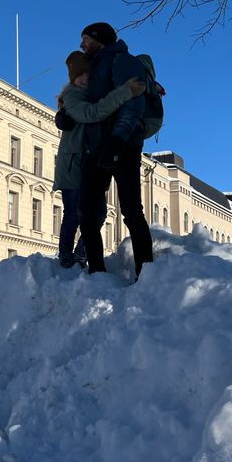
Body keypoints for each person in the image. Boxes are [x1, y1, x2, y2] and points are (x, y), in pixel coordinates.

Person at [53, 51, 145, 268]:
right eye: (80, 75)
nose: (85, 78)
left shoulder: (89, 94)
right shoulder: (73, 97)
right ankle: (66, 256)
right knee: (74, 214)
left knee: (99, 213)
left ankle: (79, 253)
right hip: (73, 165)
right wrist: (125, 92)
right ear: (73, 78)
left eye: (88, 74)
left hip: (87, 163)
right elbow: (93, 113)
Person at [78, 22, 154, 278]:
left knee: (131, 209)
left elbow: (134, 103)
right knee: (87, 211)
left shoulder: (123, 61)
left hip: (124, 145)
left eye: (85, 40)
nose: (82, 45)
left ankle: (146, 272)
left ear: (99, 39)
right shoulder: (95, 67)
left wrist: (118, 139)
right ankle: (97, 273)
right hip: (96, 147)